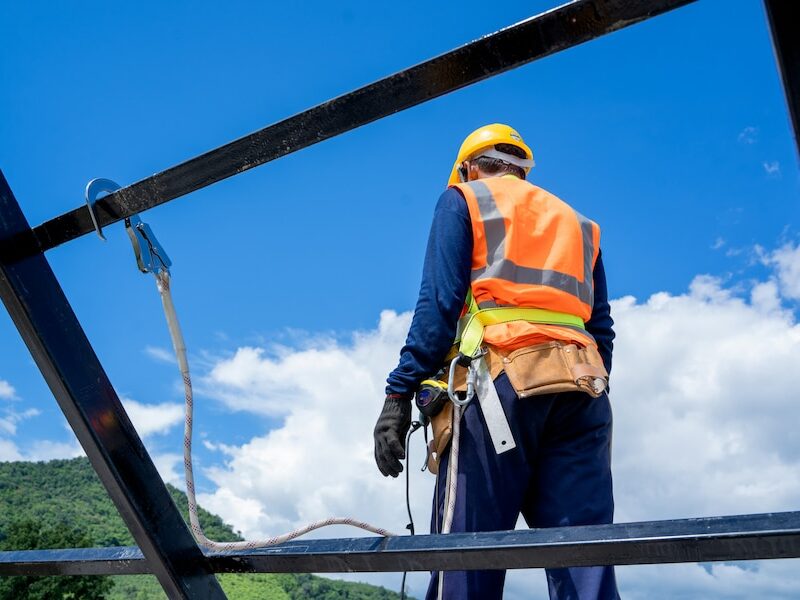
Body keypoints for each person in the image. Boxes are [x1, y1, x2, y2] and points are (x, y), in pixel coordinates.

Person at [373, 124, 619, 600]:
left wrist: (398, 393)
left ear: (467, 168)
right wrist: (589, 382)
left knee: (465, 561)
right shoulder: (580, 224)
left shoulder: (463, 199)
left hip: (498, 388)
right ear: (523, 170)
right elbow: (601, 329)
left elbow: (439, 305)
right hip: (584, 388)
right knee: (585, 561)